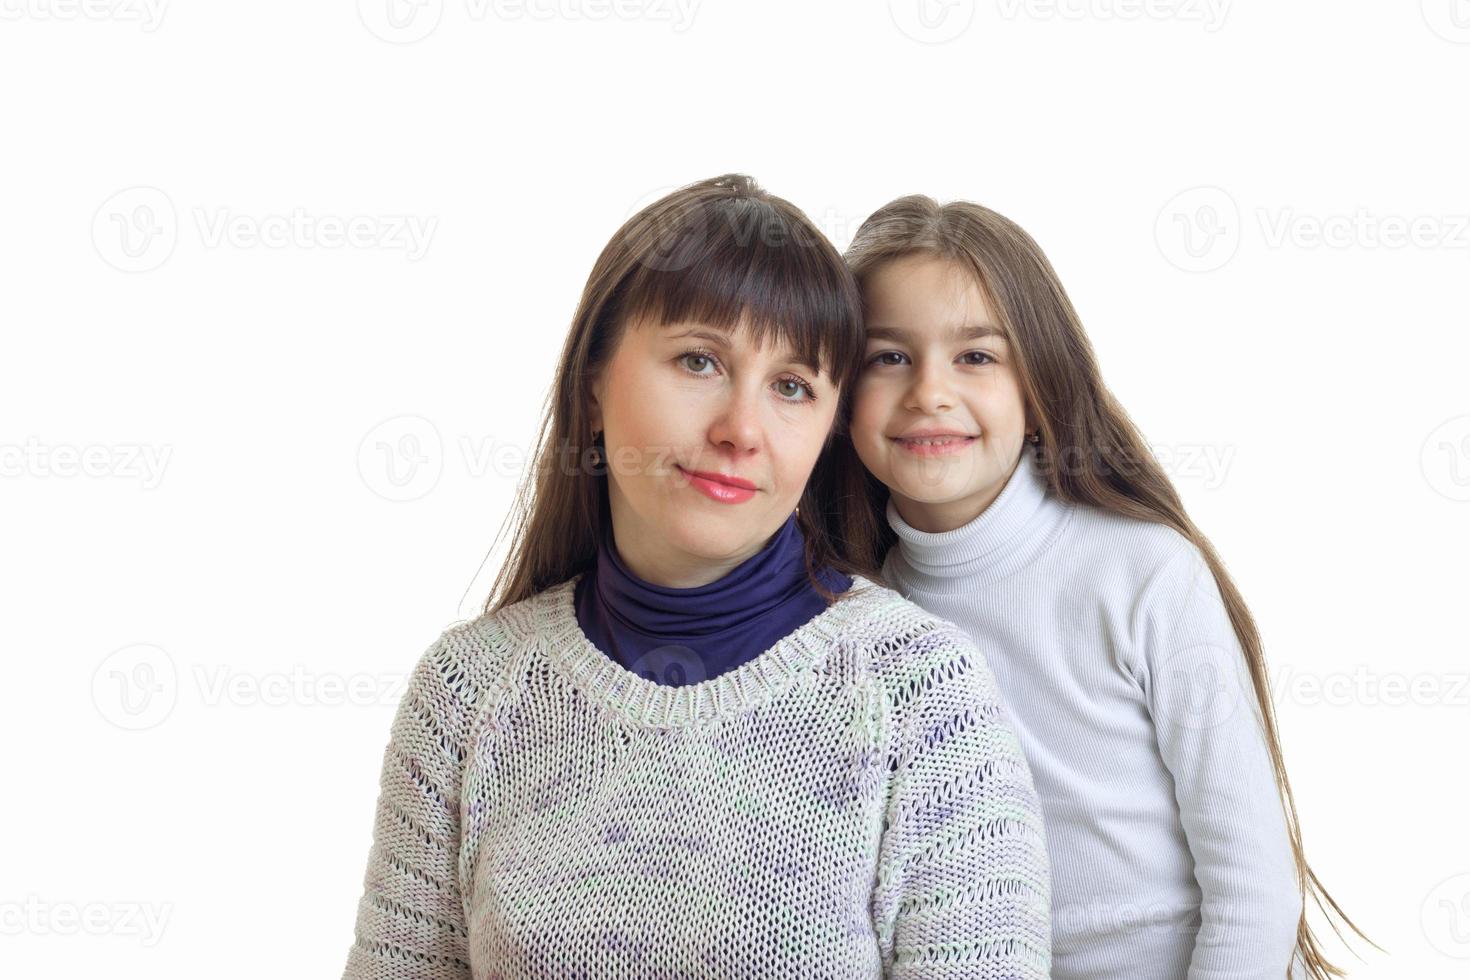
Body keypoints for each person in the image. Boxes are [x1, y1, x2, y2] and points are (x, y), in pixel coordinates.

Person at [339, 175, 1052, 979]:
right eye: (699, 360)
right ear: (594, 384)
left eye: (791, 386)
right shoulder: (467, 694)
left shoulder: (922, 693)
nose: (741, 429)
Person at [835, 193, 1374, 979]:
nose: (929, 392)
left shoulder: (1142, 572)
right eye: (889, 357)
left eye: (977, 357)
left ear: (1038, 383)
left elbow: (1256, 885)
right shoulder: (864, 618)